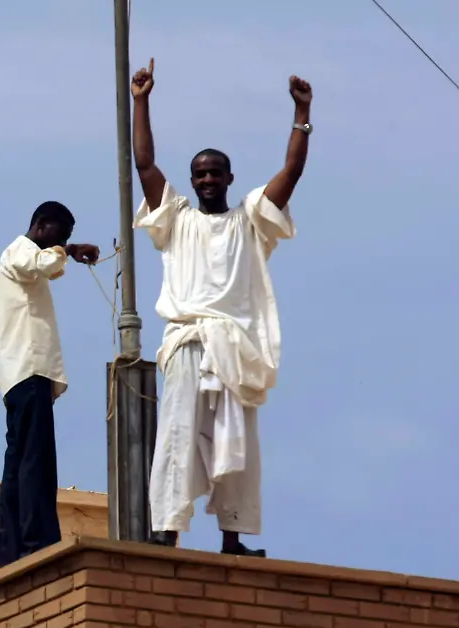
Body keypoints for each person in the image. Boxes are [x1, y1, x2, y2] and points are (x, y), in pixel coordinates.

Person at [130, 58, 310, 557]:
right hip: (188, 345)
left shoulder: (250, 221)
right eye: (199, 174)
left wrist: (301, 115)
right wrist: (140, 101)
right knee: (178, 435)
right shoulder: (176, 219)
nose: (206, 179)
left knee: (238, 447)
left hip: (234, 350)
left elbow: (291, 172)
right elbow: (144, 165)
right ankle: (166, 532)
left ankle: (231, 539)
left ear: (229, 177)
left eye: (214, 172)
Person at [0, 202, 99, 571]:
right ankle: (38, 542)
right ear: (40, 225)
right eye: (58, 234)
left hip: (16, 376)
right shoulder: (19, 251)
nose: (60, 244)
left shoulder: (11, 275)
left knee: (18, 464)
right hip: (29, 372)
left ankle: (10, 551)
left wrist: (0, 371)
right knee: (37, 461)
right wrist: (68, 250)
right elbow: (41, 263)